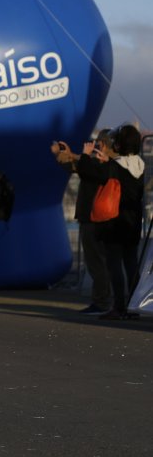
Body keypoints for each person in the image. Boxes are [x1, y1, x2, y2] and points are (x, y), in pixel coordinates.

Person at [68, 125, 145, 320]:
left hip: (114, 223)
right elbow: (118, 172)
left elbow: (90, 173)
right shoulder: (139, 165)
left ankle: (118, 307)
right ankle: (135, 305)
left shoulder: (114, 167)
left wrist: (85, 155)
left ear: (118, 144)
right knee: (131, 264)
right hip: (133, 223)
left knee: (114, 265)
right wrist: (107, 161)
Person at [51, 130, 113, 314]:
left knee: (97, 261)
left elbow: (85, 168)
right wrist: (68, 155)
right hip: (100, 217)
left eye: (98, 143)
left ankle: (101, 302)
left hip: (95, 217)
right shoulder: (104, 163)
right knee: (101, 262)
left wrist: (81, 155)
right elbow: (78, 165)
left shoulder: (103, 165)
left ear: (103, 144)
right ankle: (105, 300)